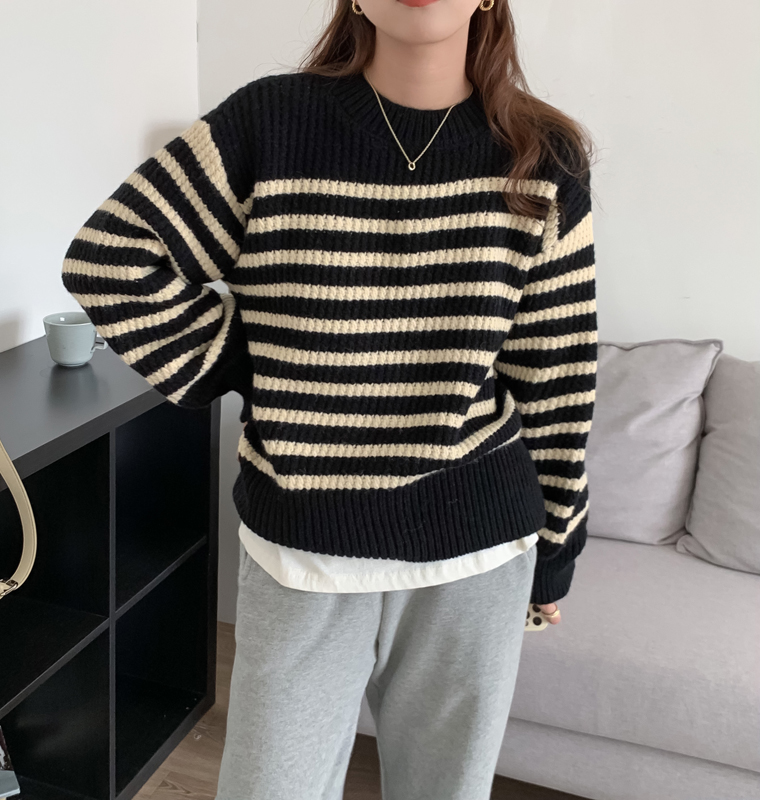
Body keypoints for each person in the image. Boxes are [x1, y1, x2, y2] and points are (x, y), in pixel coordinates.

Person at [61, 0, 598, 797]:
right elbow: (112, 259)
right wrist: (251, 362)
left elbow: (558, 373)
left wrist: (557, 548)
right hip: (303, 548)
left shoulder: (541, 154)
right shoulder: (268, 123)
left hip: (477, 550)